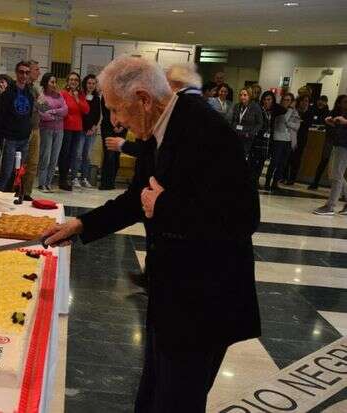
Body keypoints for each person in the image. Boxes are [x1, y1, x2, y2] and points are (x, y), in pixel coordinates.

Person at [43, 56, 260, 412]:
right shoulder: (159, 128)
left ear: (143, 99)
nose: (114, 121)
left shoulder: (206, 130)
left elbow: (244, 217)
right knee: (152, 394)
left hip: (204, 300)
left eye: (116, 109)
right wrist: (82, 225)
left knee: (177, 401)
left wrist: (165, 205)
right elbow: (136, 198)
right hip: (171, 292)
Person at [0, 61, 35, 191]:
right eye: (21, 72)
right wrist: (1, 137)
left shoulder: (30, 94)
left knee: (18, 173)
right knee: (6, 172)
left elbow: (30, 115)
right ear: (17, 73)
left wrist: (28, 132)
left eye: (27, 72)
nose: (24, 75)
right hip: (10, 138)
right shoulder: (7, 94)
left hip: (24, 139)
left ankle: (11, 198)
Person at [313, 95, 347, 215]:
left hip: (344, 146)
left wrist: (345, 122)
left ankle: (330, 206)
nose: (342, 105)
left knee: (336, 175)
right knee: (336, 174)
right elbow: (340, 129)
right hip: (337, 144)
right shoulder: (339, 113)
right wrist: (332, 123)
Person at [57, 71, 90, 191]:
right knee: (64, 154)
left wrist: (77, 99)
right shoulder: (62, 93)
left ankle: (68, 178)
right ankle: (62, 179)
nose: (73, 82)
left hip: (78, 129)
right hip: (66, 128)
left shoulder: (80, 95)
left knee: (73, 155)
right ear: (67, 81)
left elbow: (86, 110)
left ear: (78, 82)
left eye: (76, 80)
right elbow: (61, 109)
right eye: (71, 79)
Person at [36, 72, 68, 192]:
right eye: (52, 82)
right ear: (45, 83)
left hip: (59, 130)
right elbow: (43, 114)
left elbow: (65, 110)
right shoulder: (41, 96)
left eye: (55, 82)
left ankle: (48, 183)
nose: (54, 84)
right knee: (46, 157)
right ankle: (41, 183)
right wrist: (56, 115)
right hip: (46, 130)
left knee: (54, 158)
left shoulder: (59, 95)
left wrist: (53, 111)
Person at [250, 91, 286, 187]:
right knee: (254, 160)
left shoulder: (273, 111)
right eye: (265, 99)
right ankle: (251, 179)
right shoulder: (259, 110)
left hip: (268, 139)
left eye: (269, 100)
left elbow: (283, 109)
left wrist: (274, 105)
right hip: (258, 138)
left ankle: (257, 179)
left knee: (262, 160)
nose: (267, 102)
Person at [264, 93, 299, 192]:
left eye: (289, 100)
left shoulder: (294, 112)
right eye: (285, 100)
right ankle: (267, 182)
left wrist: (290, 123)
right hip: (278, 139)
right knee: (274, 162)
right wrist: (290, 110)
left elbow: (297, 126)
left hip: (288, 140)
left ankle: (275, 183)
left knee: (282, 164)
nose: (286, 102)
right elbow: (285, 120)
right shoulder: (278, 109)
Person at [99, 92, 130, 190]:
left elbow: (128, 111)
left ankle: (112, 181)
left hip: (122, 127)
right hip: (108, 127)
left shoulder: (126, 93)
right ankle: (105, 182)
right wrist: (114, 125)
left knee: (117, 155)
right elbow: (105, 111)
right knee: (109, 154)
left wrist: (121, 126)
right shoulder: (107, 93)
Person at [21, 60, 42, 201]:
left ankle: (27, 192)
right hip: (24, 130)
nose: (38, 72)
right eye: (36, 70)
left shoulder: (35, 89)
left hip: (36, 128)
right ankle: (17, 190)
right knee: (21, 162)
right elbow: (27, 108)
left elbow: (44, 107)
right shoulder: (22, 88)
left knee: (33, 163)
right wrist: (38, 104)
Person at [77, 74, 102, 188]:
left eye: (93, 83)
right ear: (85, 84)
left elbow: (97, 114)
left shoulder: (97, 98)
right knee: (78, 155)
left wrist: (93, 127)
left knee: (87, 155)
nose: (91, 85)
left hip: (91, 132)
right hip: (81, 130)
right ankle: (74, 178)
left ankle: (84, 178)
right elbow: (81, 114)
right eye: (89, 83)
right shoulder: (80, 96)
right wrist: (86, 128)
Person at [284, 95, 312, 185]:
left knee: (296, 159)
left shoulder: (309, 113)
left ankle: (292, 178)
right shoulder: (294, 111)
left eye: (307, 101)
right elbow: (289, 122)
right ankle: (283, 176)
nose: (305, 103)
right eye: (303, 100)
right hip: (290, 136)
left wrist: (297, 122)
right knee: (287, 158)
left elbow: (305, 125)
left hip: (301, 139)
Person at [308, 96, 334, 189]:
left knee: (334, 167)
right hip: (330, 141)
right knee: (324, 162)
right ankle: (315, 182)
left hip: (337, 144)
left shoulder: (328, 112)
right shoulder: (332, 113)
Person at [230, 87, 263, 158]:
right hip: (236, 135)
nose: (242, 97)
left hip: (246, 137)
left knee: (241, 157)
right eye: (241, 95)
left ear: (250, 95)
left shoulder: (255, 107)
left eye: (245, 95)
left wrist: (251, 133)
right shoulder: (237, 106)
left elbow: (260, 123)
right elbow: (233, 120)